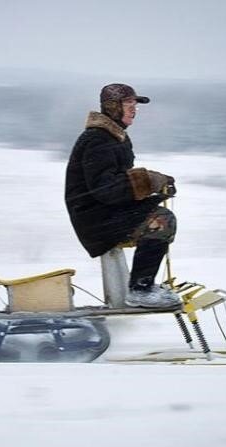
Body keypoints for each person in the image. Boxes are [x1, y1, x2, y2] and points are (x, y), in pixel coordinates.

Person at [64, 83, 182, 309]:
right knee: (162, 221)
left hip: (104, 211)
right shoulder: (97, 140)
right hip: (94, 218)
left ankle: (143, 285)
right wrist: (149, 181)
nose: (134, 109)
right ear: (112, 106)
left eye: (135, 104)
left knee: (159, 213)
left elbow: (119, 185)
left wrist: (154, 188)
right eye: (128, 103)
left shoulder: (114, 137)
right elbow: (106, 188)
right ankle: (140, 290)